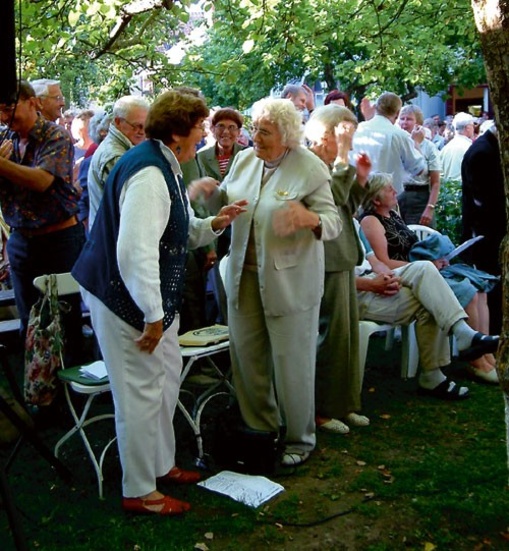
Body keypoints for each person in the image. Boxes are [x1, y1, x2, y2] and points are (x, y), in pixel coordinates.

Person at [72, 89, 247, 516]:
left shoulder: (162, 160)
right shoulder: (149, 172)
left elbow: (178, 228)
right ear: (176, 134)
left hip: (143, 298)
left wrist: (214, 223)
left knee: (166, 379)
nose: (204, 133)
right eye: (199, 127)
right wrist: (152, 316)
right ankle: (139, 490)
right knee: (138, 393)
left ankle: (161, 465)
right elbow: (135, 251)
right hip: (123, 299)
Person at [190, 97, 341, 467]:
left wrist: (307, 218)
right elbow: (229, 206)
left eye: (264, 131)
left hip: (290, 284)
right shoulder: (244, 159)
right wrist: (210, 196)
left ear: (287, 136)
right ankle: (261, 431)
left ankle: (299, 439)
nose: (255, 136)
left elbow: (333, 222)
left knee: (293, 364)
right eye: (254, 128)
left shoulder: (310, 168)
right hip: (244, 278)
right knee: (247, 359)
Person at [360, 172, 499, 384]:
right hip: (404, 275)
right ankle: (476, 361)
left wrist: (435, 260)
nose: (395, 191)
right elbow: (384, 263)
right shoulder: (371, 222)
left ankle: (486, 355)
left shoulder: (394, 214)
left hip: (419, 271)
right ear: (376, 199)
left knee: (479, 289)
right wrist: (427, 265)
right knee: (468, 293)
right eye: (389, 189)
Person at [355, 222, 499, 400]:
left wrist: (388, 277)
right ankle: (436, 373)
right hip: (352, 293)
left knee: (426, 270)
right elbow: (327, 278)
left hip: (372, 279)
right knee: (430, 298)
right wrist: (370, 285)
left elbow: (375, 261)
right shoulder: (329, 224)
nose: (394, 192)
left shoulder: (352, 223)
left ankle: (462, 336)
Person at [0, 80, 85, 365]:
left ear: (33, 103)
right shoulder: (6, 139)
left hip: (59, 241)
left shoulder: (55, 135)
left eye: (10, 109)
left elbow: (41, 181)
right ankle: (40, 395)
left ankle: (74, 392)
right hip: (21, 241)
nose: (5, 117)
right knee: (29, 319)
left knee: (65, 317)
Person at [305, 104, 371, 434]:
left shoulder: (332, 163)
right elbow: (328, 200)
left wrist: (360, 180)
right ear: (326, 134)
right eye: (345, 135)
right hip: (325, 259)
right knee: (330, 337)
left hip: (342, 256)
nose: (349, 141)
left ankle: (345, 403)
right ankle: (322, 409)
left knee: (346, 338)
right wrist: (345, 160)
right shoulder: (310, 163)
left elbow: (347, 207)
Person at [461, 121, 505, 333]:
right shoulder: (482, 152)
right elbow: (483, 200)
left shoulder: (488, 148)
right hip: (486, 231)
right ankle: (494, 333)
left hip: (490, 228)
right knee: (492, 282)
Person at [87, 95, 149, 228]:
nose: (142, 132)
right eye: (137, 126)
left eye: (145, 126)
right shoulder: (115, 156)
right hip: (111, 240)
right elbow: (131, 207)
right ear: (118, 122)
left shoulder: (124, 148)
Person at [352, 92, 426, 194]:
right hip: (386, 199)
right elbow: (418, 169)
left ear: (376, 108)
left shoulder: (357, 129)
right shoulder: (399, 135)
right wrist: (416, 143)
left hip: (358, 195)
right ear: (398, 113)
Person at [397, 105, 441, 226]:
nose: (404, 122)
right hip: (397, 197)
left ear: (418, 123)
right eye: (402, 118)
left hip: (420, 198)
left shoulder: (429, 147)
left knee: (421, 238)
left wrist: (430, 207)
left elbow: (435, 181)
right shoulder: (396, 142)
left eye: (409, 119)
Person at [440, 112, 475, 182]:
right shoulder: (470, 148)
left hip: (447, 190)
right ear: (468, 128)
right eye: (473, 126)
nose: (474, 129)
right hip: (464, 190)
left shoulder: (445, 148)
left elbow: (440, 174)